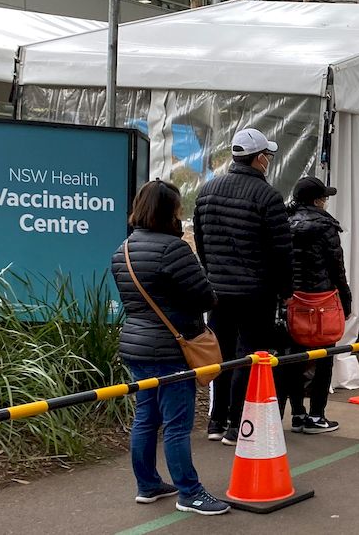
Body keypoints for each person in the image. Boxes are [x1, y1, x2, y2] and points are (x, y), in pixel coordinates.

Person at [112, 180, 229, 516]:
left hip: (136, 345)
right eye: (178, 208)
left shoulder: (123, 250)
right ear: (169, 211)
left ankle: (147, 484)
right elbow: (206, 297)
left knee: (146, 417)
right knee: (177, 423)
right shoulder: (174, 250)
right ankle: (189, 492)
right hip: (171, 348)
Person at [194, 127, 293, 445]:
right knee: (248, 356)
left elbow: (201, 240)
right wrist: (285, 290)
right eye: (268, 155)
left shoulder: (207, 190)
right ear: (260, 159)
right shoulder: (268, 196)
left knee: (220, 355)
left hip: (218, 291)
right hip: (256, 292)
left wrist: (212, 275)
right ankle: (238, 424)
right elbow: (281, 250)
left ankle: (215, 421)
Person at [276, 176, 352, 434]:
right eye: (325, 197)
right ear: (318, 200)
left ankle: (297, 414)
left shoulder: (283, 223)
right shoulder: (325, 226)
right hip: (322, 301)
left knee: (294, 359)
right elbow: (336, 267)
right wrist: (347, 298)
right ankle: (317, 415)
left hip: (292, 301)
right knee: (324, 358)